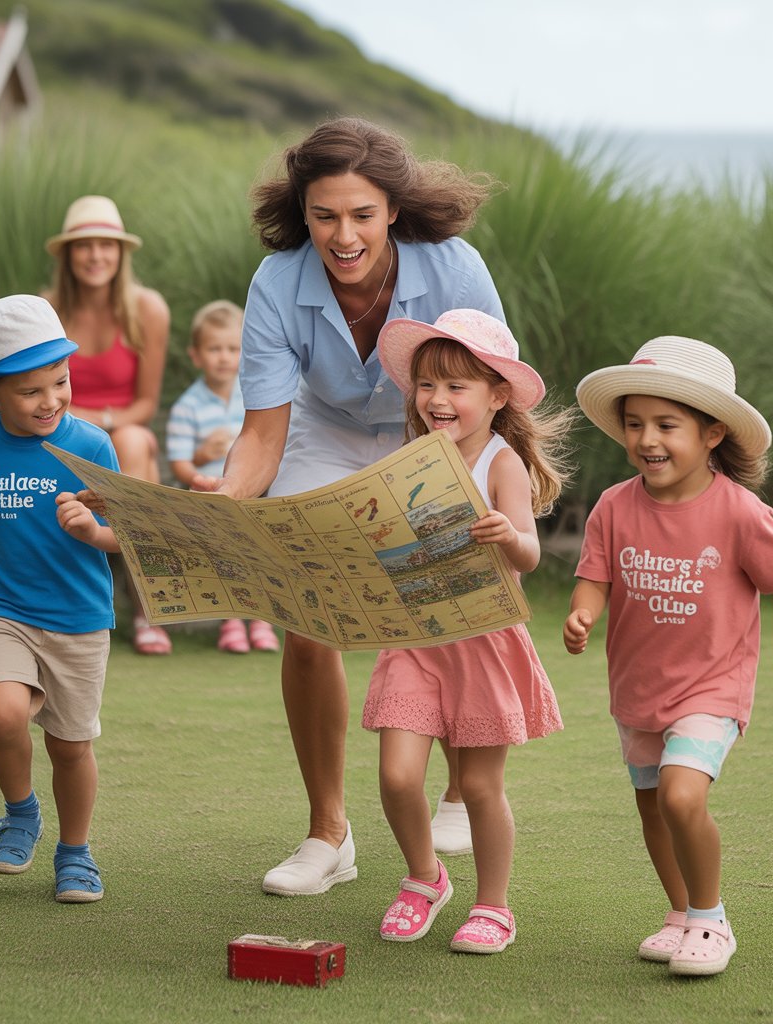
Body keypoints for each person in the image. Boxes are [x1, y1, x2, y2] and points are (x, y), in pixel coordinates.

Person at [191, 117, 506, 893]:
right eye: (325, 214)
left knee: (455, 593)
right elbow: (264, 433)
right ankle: (329, 834)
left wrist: (471, 491)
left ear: (392, 209)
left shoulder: (456, 268)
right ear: (304, 213)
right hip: (325, 435)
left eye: (362, 214)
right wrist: (230, 500)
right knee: (303, 620)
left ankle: (465, 786)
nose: (344, 235)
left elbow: (487, 396)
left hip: (433, 433)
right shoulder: (275, 284)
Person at [563, 336, 773, 976]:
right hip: (637, 690)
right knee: (652, 808)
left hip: (711, 689)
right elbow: (595, 574)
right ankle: (679, 915)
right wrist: (584, 611)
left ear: (713, 432)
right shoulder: (614, 506)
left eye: (667, 425)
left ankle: (710, 919)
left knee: (680, 797)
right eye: (635, 424)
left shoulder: (740, 513)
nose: (647, 439)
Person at [364, 309, 571, 953]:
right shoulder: (411, 458)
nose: (438, 400)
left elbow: (530, 554)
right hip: (415, 638)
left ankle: (493, 905)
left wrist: (508, 534)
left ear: (496, 395)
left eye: (457, 386)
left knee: (480, 786)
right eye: (428, 385)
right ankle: (425, 878)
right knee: (398, 776)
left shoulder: (501, 463)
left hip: (483, 641)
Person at [0, 295, 123, 903]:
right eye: (30, 391)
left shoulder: (92, 445)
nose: (51, 401)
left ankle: (75, 852)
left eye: (59, 382)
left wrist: (93, 532)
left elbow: (132, 536)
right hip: (1, 611)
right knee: (3, 712)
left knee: (70, 746)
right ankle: (21, 812)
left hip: (80, 620)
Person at [44, 194, 172, 656]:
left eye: (107, 245)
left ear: (121, 254)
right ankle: (83, 605)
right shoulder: (46, 310)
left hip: (120, 432)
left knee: (134, 442)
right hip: (55, 433)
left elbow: (145, 404)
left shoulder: (148, 310)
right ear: (67, 254)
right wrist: (72, 420)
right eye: (84, 245)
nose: (96, 256)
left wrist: (99, 421)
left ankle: (146, 609)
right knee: (128, 450)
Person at [167, 299, 279, 654]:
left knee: (261, 550)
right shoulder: (188, 407)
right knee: (225, 554)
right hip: (212, 496)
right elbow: (179, 464)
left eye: (233, 349)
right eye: (214, 349)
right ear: (196, 355)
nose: (224, 357)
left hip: (253, 495)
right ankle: (231, 621)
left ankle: (262, 619)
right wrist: (202, 458)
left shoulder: (255, 398)